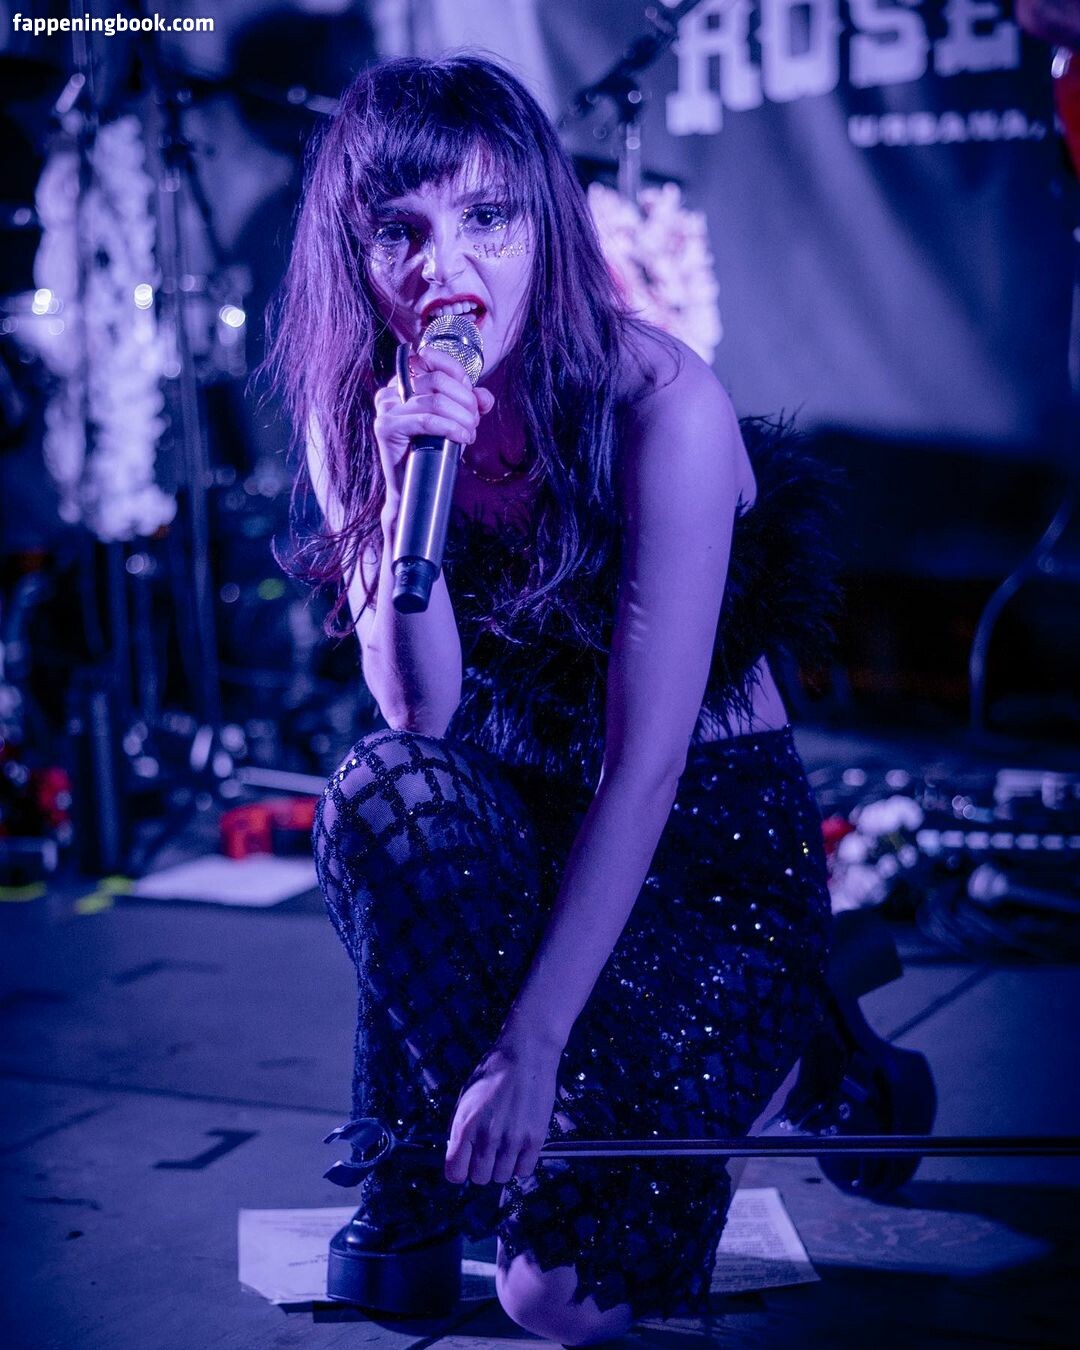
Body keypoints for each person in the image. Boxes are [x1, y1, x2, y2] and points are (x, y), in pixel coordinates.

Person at [268, 53, 836, 1345]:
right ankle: (422, 1163)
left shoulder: (661, 405)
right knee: (384, 792)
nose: (445, 268)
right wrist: (405, 480)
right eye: (400, 231)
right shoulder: (357, 409)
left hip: (699, 854)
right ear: (354, 250)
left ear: (546, 220)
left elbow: (647, 765)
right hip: (527, 823)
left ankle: (807, 1039)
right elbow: (419, 713)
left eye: (487, 217)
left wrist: (531, 1046)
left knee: (555, 1301)